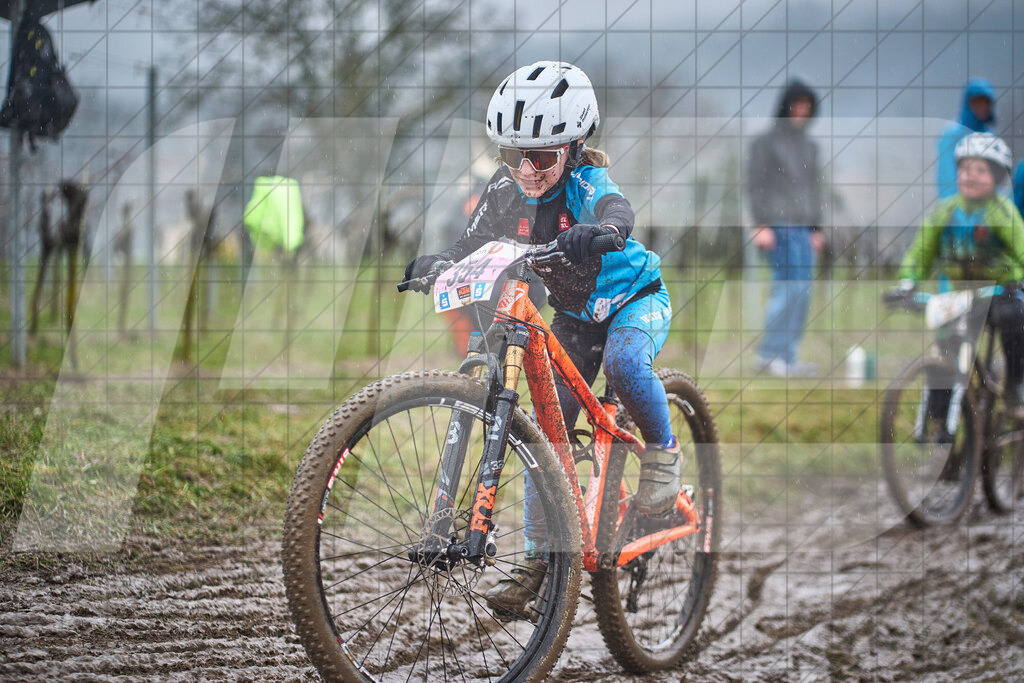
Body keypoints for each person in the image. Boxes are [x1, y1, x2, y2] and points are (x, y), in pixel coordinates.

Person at [404, 61, 678, 617]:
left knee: (626, 364)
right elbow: (472, 243)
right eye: (514, 155)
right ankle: (539, 561)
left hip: (636, 302)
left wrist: (605, 232)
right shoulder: (507, 188)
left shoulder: (586, 182)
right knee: (547, 430)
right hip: (577, 321)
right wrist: (440, 263)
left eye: (543, 156)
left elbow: (615, 209)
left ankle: (663, 454)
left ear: (575, 146)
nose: (527, 169)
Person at [898, 132, 1024, 418]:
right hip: (960, 297)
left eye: (981, 170)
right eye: (966, 169)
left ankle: (1016, 384)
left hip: (999, 293)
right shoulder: (945, 212)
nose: (971, 176)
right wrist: (907, 282)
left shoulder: (1002, 212)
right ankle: (941, 419)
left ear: (996, 177)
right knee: (946, 343)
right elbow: (921, 252)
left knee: (1014, 316)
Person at [748, 79, 824, 377]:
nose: (802, 111)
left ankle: (788, 357)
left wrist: (816, 228)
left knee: (802, 292)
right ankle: (770, 354)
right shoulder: (764, 143)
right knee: (786, 289)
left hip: (804, 229)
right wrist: (760, 224)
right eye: (797, 104)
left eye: (807, 105)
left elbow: (815, 189)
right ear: (786, 105)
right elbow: (756, 185)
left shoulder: (810, 146)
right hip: (778, 228)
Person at [936, 79, 996, 200]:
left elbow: (998, 176)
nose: (982, 107)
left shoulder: (991, 136)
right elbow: (946, 178)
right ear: (967, 104)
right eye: (977, 102)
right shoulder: (951, 136)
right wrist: (956, 209)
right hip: (958, 207)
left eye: (986, 103)